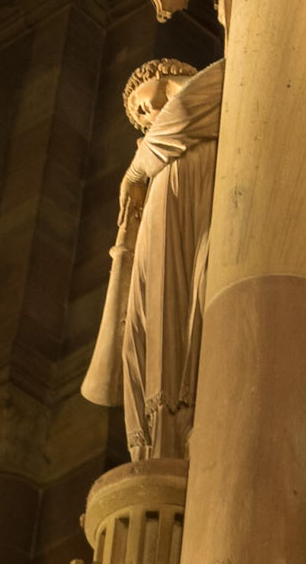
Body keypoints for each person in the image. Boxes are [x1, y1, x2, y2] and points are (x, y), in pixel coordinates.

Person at [82, 55, 224, 460]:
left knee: (193, 298)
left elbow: (188, 107)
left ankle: (186, 415)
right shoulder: (154, 152)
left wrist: (134, 173)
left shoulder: (207, 92)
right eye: (139, 117)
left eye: (143, 103)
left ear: (167, 75)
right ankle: (159, 438)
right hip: (163, 221)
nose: (145, 116)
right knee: (149, 318)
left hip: (196, 210)